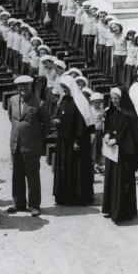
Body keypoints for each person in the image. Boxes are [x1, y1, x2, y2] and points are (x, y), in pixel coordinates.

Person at [101, 87, 138, 223]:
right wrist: (107, 134)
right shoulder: (113, 111)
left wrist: (116, 140)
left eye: (117, 98)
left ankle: (122, 212)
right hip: (113, 154)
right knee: (112, 180)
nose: (114, 100)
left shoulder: (129, 114)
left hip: (124, 154)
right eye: (112, 98)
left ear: (122, 99)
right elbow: (111, 126)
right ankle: (111, 209)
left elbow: (129, 134)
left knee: (121, 181)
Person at [7, 75, 50, 217]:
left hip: (31, 145)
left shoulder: (39, 103)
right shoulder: (12, 100)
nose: (22, 88)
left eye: (25, 85)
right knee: (17, 175)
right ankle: (19, 203)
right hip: (15, 144)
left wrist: (36, 138)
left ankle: (34, 205)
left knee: (32, 176)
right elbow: (12, 119)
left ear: (31, 86)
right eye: (20, 86)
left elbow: (47, 125)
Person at [52, 75, 94, 206]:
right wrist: (57, 121)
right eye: (62, 87)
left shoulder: (80, 101)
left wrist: (77, 141)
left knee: (76, 168)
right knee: (64, 167)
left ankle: (78, 197)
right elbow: (60, 115)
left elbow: (82, 123)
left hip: (76, 142)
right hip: (63, 140)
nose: (64, 90)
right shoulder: (64, 99)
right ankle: (64, 196)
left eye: (65, 87)